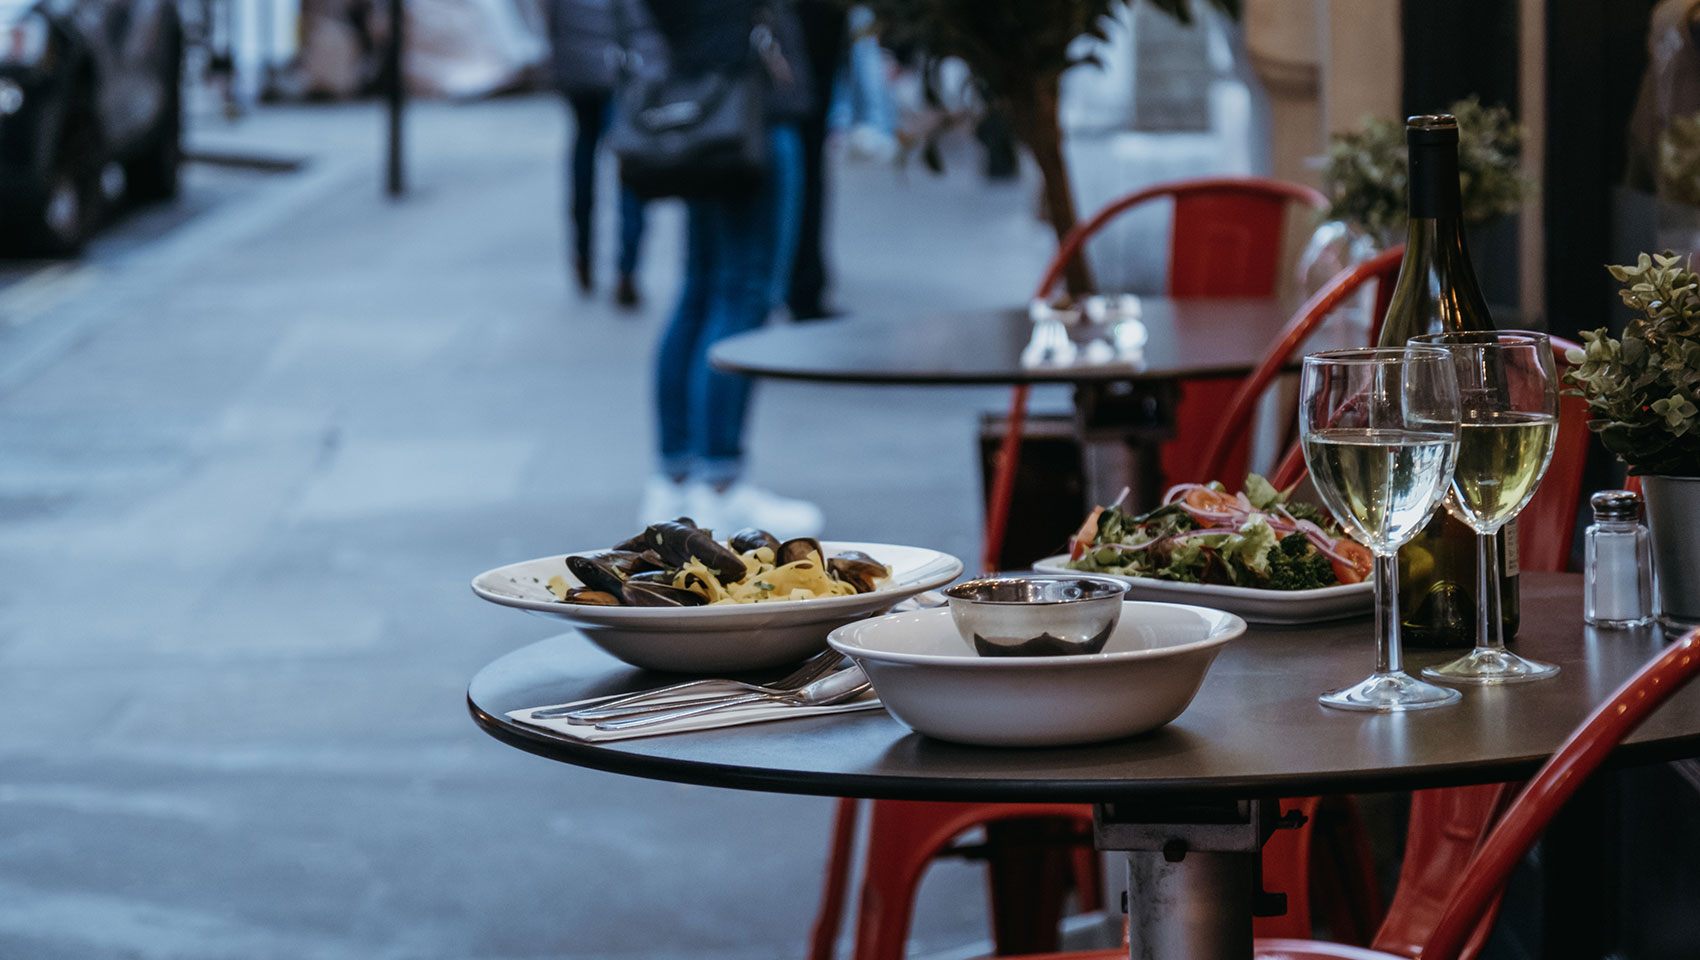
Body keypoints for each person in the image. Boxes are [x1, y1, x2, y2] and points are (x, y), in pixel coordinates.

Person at [634, 0, 825, 537]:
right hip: (748, 104)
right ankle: (718, 485)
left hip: (707, 99)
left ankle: (675, 479)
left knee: (702, 289)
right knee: (740, 292)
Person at [547, 0, 648, 307]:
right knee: (628, 162)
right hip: (618, 59)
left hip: (576, 62)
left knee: (584, 156)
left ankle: (583, 254)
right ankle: (627, 267)